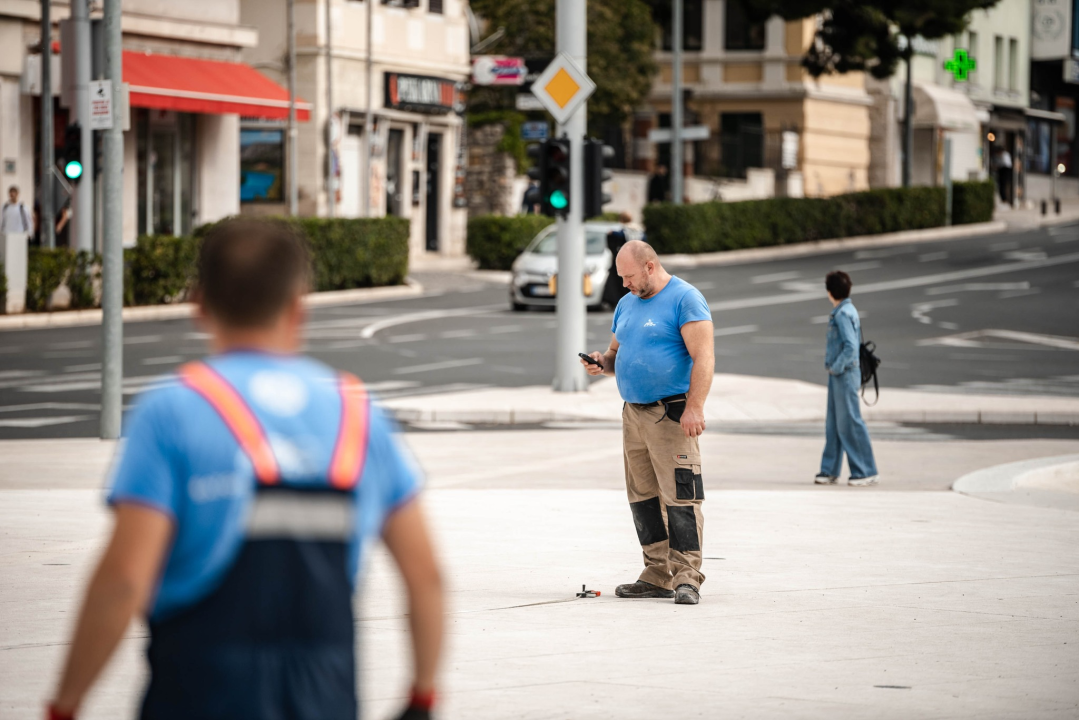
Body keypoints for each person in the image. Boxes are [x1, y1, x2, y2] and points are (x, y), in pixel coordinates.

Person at [47, 219, 444, 720]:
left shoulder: (173, 411)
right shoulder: (358, 416)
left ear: (200, 305)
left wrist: (65, 704)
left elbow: (124, 579)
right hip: (325, 692)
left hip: (198, 689)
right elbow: (425, 575)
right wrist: (421, 696)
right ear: (298, 307)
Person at [582, 240, 714, 605]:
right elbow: (614, 354)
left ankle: (687, 577)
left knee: (681, 499)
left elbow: (704, 357)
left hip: (671, 414)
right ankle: (657, 573)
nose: (623, 284)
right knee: (642, 498)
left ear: (650, 266)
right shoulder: (626, 304)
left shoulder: (685, 299)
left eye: (628, 276)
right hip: (634, 415)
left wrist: (695, 407)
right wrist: (600, 362)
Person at [815, 270, 879, 487]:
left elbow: (851, 347)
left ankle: (865, 471)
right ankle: (829, 470)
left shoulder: (842, 314)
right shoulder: (847, 309)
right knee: (834, 423)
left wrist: (836, 366)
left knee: (850, 422)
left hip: (844, 374)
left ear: (830, 292)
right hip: (840, 374)